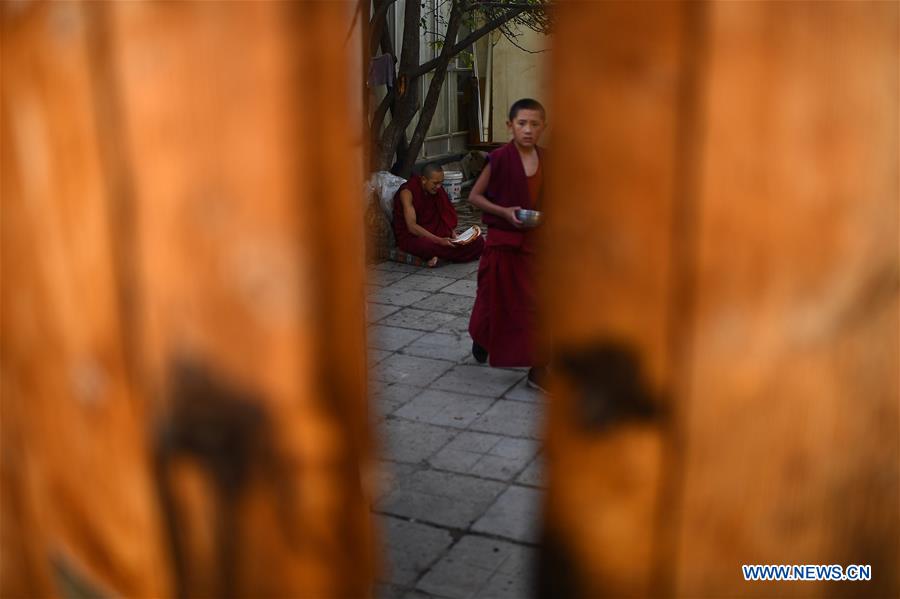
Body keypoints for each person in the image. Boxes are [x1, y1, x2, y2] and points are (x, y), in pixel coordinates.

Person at [467, 98, 548, 390]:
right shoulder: (499, 159)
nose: (528, 130)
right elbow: (474, 197)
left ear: (543, 128)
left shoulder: (547, 160)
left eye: (534, 124)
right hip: (502, 243)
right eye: (522, 123)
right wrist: (504, 212)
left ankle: (539, 368)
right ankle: (482, 336)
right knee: (492, 302)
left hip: (535, 247)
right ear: (510, 126)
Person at [392, 162, 485, 267]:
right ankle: (446, 255)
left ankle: (440, 256)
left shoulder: (437, 190)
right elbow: (412, 227)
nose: (439, 186)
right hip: (415, 237)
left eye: (441, 182)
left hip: (439, 235)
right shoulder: (407, 192)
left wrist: (453, 234)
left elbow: (444, 215)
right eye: (435, 183)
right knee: (426, 246)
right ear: (423, 180)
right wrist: (439, 241)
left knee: (479, 241)